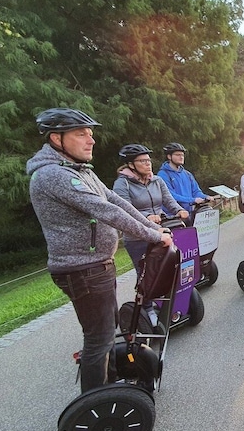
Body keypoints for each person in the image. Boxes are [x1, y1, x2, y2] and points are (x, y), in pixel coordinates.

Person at [27, 108, 173, 393]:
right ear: (56, 139)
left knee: (105, 335)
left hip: (96, 265)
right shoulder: (53, 175)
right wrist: (152, 235)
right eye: (81, 134)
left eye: (91, 134)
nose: (90, 140)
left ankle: (109, 387)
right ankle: (98, 402)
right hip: (82, 269)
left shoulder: (80, 171)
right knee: (98, 339)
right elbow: (104, 211)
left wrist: (153, 230)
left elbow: (116, 201)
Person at [113, 144, 188, 327]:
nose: (148, 164)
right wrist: (147, 217)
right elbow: (124, 210)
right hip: (137, 237)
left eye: (148, 160)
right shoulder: (122, 184)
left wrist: (179, 210)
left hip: (162, 232)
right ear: (131, 164)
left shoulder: (156, 180)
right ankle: (147, 309)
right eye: (142, 161)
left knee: (169, 268)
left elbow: (168, 200)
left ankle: (168, 303)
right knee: (146, 274)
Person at [157, 142, 218, 213]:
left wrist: (205, 197)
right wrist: (192, 200)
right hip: (174, 215)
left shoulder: (187, 174)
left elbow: (196, 192)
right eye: (177, 155)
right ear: (169, 156)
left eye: (182, 155)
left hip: (189, 212)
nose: (181, 157)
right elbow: (170, 196)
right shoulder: (162, 175)